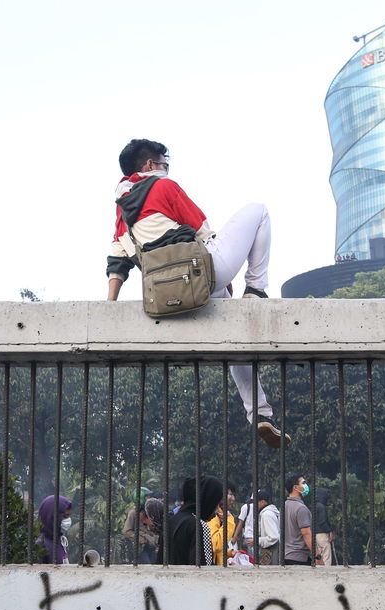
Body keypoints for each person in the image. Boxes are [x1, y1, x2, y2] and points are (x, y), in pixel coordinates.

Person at [105, 138, 288, 449]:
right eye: (164, 163)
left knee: (234, 345)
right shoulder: (164, 187)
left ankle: (260, 412)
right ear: (150, 165)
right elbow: (204, 232)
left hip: (168, 292)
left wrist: (108, 309)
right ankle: (256, 288)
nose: (166, 168)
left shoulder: (122, 214)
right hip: (203, 273)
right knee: (259, 211)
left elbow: (117, 265)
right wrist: (225, 278)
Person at [168, 477, 223, 565]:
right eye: (216, 503)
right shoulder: (200, 526)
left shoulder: (173, 520)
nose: (216, 510)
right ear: (208, 501)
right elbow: (205, 568)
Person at [237, 490, 281, 565]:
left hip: (271, 552)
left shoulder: (267, 515)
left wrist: (256, 541)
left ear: (263, 502)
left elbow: (273, 537)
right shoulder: (270, 513)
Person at [282, 473, 314, 566]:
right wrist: (317, 555)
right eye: (303, 483)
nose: (306, 486)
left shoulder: (284, 506)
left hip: (286, 555)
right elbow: (306, 533)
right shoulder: (301, 508)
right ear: (296, 487)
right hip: (299, 557)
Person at [207, 483, 240, 566]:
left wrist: (229, 553)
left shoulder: (220, 514)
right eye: (230, 494)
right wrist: (229, 520)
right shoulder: (213, 515)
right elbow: (215, 545)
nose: (233, 498)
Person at [36, 495, 73, 565]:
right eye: (65, 516)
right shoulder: (41, 545)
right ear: (52, 517)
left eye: (69, 516)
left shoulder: (60, 540)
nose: (68, 520)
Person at [312, 486, 335, 566]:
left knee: (319, 555)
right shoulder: (321, 507)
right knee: (326, 554)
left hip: (315, 535)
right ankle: (327, 571)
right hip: (322, 534)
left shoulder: (315, 506)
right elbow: (323, 522)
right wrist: (330, 531)